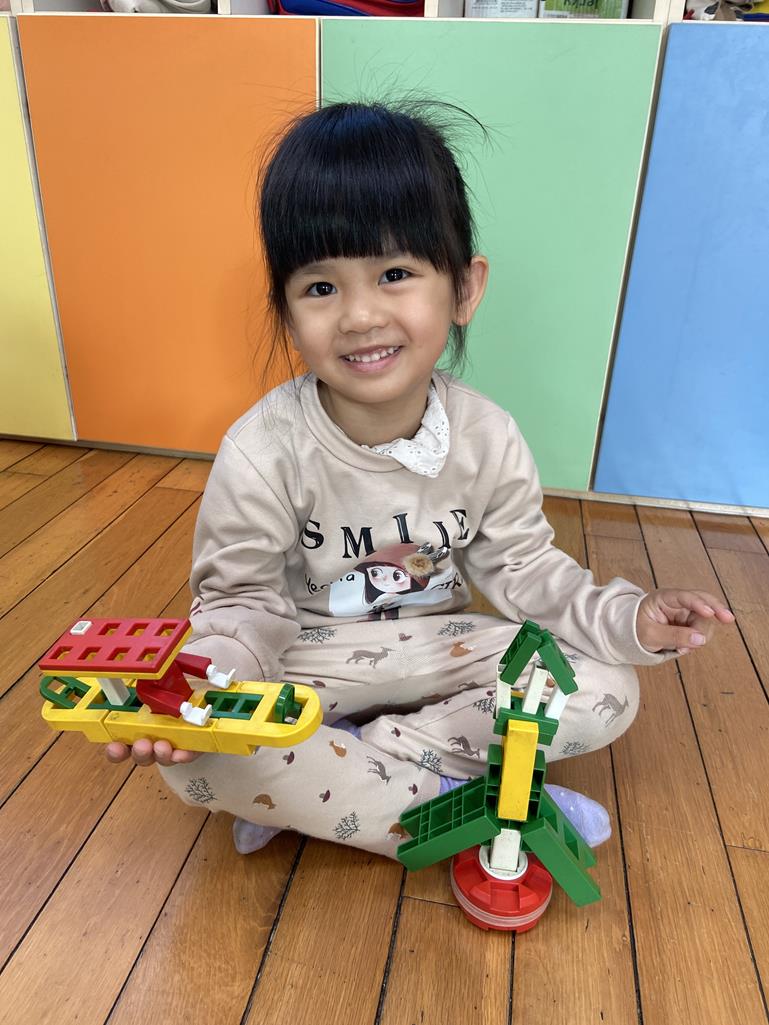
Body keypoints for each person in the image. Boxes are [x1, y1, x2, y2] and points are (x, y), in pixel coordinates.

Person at [105, 101, 734, 859]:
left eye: (395, 274)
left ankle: (341, 771)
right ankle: (487, 805)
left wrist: (628, 617)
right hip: (305, 657)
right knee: (196, 764)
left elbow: (525, 570)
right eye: (320, 287)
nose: (359, 316)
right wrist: (207, 683)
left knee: (606, 688)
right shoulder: (261, 449)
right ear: (286, 310)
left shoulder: (487, 435)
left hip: (441, 649)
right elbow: (239, 602)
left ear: (464, 288)